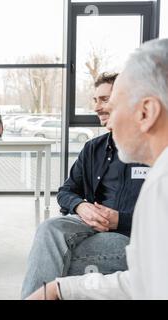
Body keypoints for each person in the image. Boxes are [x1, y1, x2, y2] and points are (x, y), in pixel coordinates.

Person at [27, 38, 168, 300]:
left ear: (147, 112)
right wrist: (82, 206)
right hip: (90, 225)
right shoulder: (95, 149)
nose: (105, 116)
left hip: (123, 234)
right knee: (49, 231)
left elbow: (148, 277)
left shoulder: (158, 180)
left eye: (113, 105)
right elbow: (67, 191)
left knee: (57, 257)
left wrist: (119, 219)